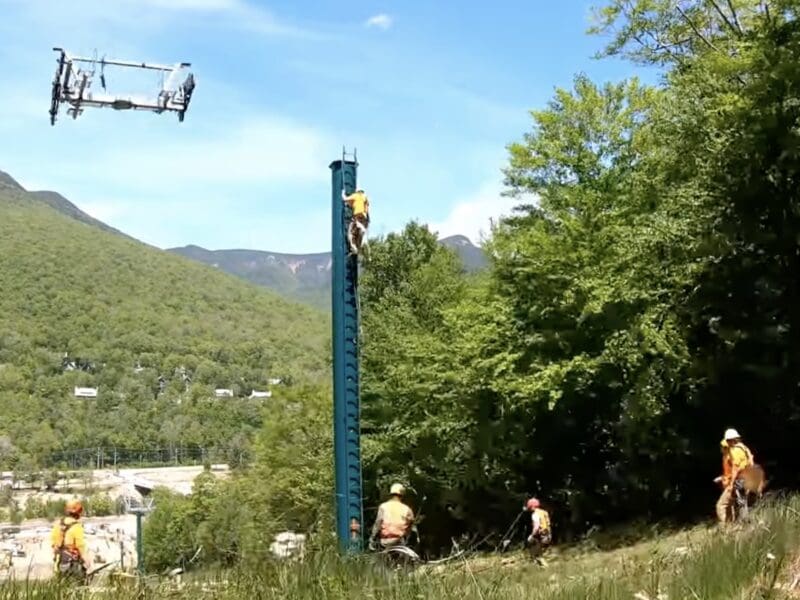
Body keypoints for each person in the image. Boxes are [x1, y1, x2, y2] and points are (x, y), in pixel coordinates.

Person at [715, 428, 755, 524]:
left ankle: (731, 528)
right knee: (740, 504)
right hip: (746, 478)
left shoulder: (735, 451)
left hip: (739, 480)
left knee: (723, 505)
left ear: (732, 440)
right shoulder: (743, 448)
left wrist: (731, 484)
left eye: (728, 441)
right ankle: (740, 526)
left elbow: (735, 468)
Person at [50, 499, 90, 581]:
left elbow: (54, 545)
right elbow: (81, 547)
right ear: (78, 512)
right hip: (72, 566)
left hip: (59, 564)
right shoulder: (77, 527)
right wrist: (88, 563)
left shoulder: (58, 524)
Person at [369, 483, 415, 551]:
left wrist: (372, 538)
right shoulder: (407, 509)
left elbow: (378, 523)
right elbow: (411, 524)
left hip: (385, 541)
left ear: (391, 494)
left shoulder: (383, 507)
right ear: (402, 495)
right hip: (400, 542)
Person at [342, 188, 370, 255]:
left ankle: (354, 247)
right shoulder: (365, 197)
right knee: (359, 234)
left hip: (357, 215)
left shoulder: (355, 196)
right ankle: (359, 246)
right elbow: (367, 208)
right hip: (364, 217)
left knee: (350, 233)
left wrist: (342, 192)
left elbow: (344, 199)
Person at [524, 497, 551, 564]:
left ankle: (545, 567)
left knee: (537, 554)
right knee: (539, 553)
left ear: (531, 506)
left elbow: (536, 527)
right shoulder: (544, 512)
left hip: (541, 536)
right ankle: (538, 567)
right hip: (548, 535)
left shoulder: (535, 514)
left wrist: (531, 536)